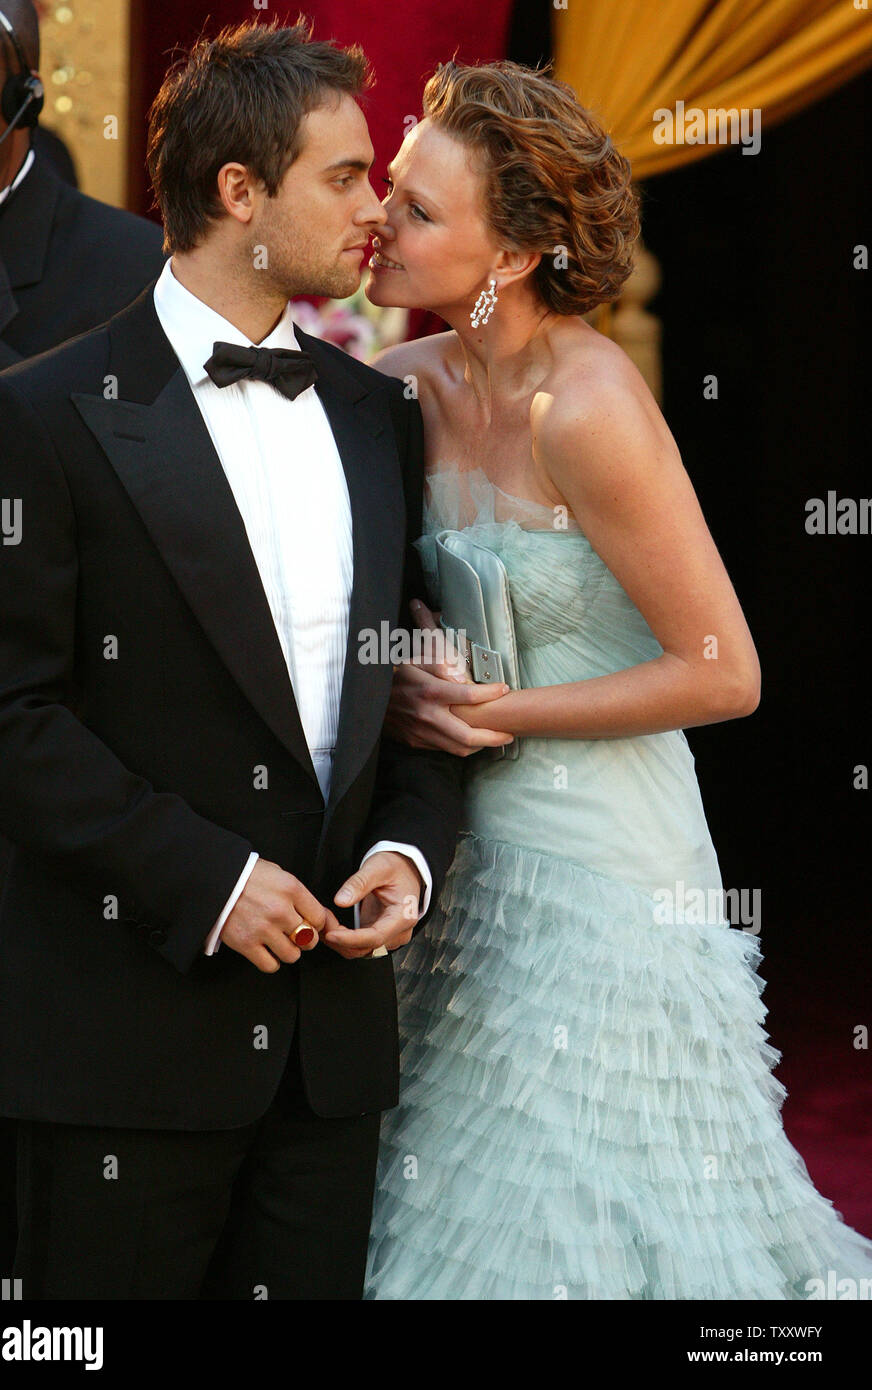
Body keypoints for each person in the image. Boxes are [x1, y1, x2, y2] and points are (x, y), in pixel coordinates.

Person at [0, 20, 463, 1300]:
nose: (375, 209)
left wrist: (408, 851)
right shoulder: (36, 412)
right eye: (343, 177)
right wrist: (213, 878)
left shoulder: (378, 415)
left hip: (329, 1062)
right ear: (239, 192)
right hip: (120, 1040)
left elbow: (407, 681)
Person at [362, 59, 872, 1299]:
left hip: (606, 867)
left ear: (514, 255)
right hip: (447, 861)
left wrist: (496, 712)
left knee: (561, 1203)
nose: (381, 218)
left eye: (420, 211)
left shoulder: (585, 407)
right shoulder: (388, 392)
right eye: (387, 187)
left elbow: (724, 672)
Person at [0, 0, 164, 1283]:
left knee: (13, 1191)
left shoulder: (121, 265)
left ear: (23, 102)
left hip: (2, 816)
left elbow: (114, 506)